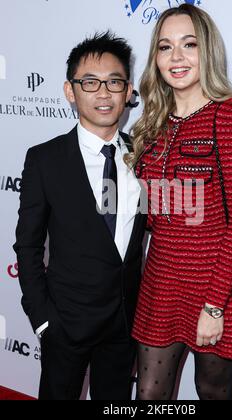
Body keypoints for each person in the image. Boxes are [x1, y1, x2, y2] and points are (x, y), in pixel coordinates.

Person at [129, 4, 232, 400]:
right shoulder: (154, 121)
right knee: (149, 396)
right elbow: (152, 214)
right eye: (165, 46)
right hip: (160, 280)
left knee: (212, 393)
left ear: (206, 50)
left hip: (213, 286)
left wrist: (214, 306)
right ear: (154, 58)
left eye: (188, 44)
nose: (176, 57)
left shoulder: (231, 114)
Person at [13, 32, 146, 400]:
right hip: (64, 325)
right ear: (71, 91)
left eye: (114, 82)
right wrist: (43, 319)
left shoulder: (145, 155)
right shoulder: (45, 160)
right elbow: (27, 247)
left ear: (128, 91)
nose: (103, 93)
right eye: (90, 82)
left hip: (124, 324)